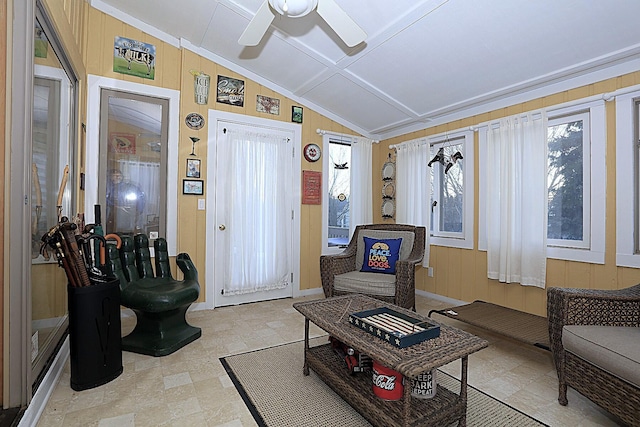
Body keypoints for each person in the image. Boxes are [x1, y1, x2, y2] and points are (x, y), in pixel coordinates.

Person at [105, 169, 145, 234]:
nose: (117, 177)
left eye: (119, 175)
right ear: (110, 177)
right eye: (115, 175)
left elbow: (140, 201)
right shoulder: (109, 188)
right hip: (113, 220)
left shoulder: (131, 187)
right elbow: (106, 201)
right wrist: (116, 207)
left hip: (128, 218)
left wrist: (136, 212)